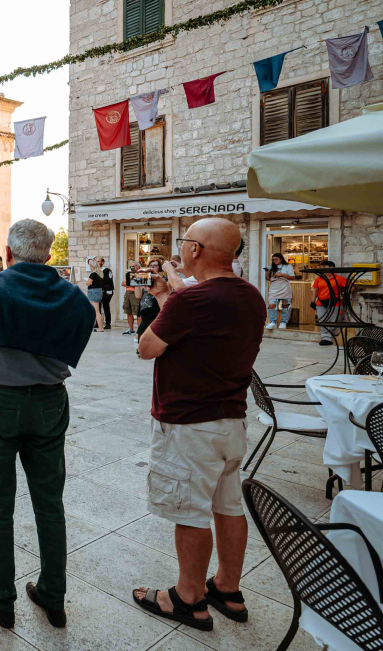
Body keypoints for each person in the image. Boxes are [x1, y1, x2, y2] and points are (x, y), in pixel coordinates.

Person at [0, 219, 95, 630]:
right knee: (49, 502)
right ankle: (53, 595)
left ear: (10, 251)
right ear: (50, 254)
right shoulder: (72, 295)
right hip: (50, 401)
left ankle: (2, 597)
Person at [131, 218, 265, 633]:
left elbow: (146, 347)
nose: (182, 249)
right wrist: (174, 293)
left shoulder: (192, 300)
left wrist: (169, 298)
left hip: (190, 423)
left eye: (185, 241)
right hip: (230, 420)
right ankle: (227, 587)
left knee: (190, 511)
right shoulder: (251, 296)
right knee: (227, 506)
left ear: (196, 250)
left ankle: (188, 598)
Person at [311, 259, 345, 346]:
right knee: (323, 320)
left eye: (324, 267)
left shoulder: (339, 278)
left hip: (335, 301)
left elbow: (351, 287)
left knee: (334, 320)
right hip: (321, 302)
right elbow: (315, 290)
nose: (322, 268)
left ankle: (331, 336)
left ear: (331, 267)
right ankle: (325, 338)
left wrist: (343, 295)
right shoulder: (319, 278)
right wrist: (312, 302)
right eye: (321, 267)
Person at [134, 259, 164, 344]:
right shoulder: (144, 278)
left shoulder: (163, 279)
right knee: (145, 325)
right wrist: (137, 284)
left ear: (159, 267)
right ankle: (141, 344)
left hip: (158, 305)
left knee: (155, 326)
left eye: (155, 265)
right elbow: (138, 295)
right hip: (146, 306)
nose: (153, 267)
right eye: (151, 265)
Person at [264, 252, 296, 330]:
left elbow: (292, 277)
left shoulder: (288, 266)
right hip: (274, 288)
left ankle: (283, 322)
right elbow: (268, 279)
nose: (274, 261)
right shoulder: (271, 267)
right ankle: (273, 322)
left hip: (285, 287)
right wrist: (267, 273)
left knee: (286, 305)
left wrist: (282, 274)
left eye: (276, 259)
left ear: (281, 259)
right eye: (273, 260)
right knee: (271, 305)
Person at [86, 257, 104, 331]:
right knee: (96, 311)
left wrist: (88, 282)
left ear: (92, 266)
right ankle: (96, 326)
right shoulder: (99, 273)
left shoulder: (93, 274)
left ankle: (100, 328)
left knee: (97, 311)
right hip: (98, 292)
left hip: (93, 292)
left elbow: (87, 284)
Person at [121, 261, 140, 335]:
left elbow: (138, 284)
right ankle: (131, 330)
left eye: (133, 266)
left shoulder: (140, 274)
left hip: (135, 293)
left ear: (138, 267)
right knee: (128, 311)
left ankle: (139, 331)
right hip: (128, 293)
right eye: (131, 266)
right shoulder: (129, 274)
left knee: (137, 313)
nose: (131, 268)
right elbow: (122, 283)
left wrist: (129, 284)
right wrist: (130, 284)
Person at [98, 257, 115, 329]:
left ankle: (108, 324)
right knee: (97, 307)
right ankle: (97, 323)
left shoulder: (108, 270)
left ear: (102, 262)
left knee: (106, 307)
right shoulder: (96, 271)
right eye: (97, 261)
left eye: (99, 261)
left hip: (107, 291)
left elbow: (107, 280)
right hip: (98, 291)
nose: (98, 263)